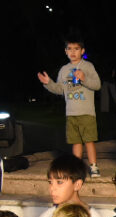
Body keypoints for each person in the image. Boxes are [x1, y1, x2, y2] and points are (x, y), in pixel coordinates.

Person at [37, 30, 102, 178]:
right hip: (71, 113)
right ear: (66, 51)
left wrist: (84, 78)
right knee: (76, 142)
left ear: (82, 50)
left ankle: (93, 166)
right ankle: (77, 168)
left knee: (89, 140)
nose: (73, 52)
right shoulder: (64, 70)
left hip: (86, 112)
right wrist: (48, 83)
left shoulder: (88, 66)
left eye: (76, 49)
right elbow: (60, 89)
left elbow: (97, 85)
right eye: (70, 49)